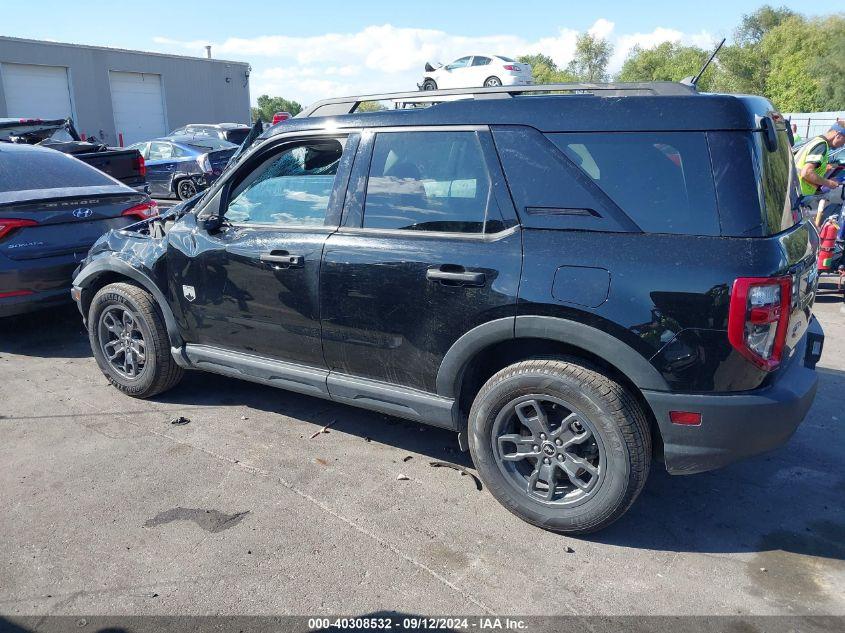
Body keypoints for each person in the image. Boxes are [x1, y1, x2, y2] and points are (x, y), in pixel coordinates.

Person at [794, 122, 845, 196]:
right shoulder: (822, 145)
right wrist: (829, 183)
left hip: (795, 189)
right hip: (797, 192)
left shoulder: (817, 141)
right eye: (844, 141)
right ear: (838, 135)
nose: (842, 145)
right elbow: (807, 172)